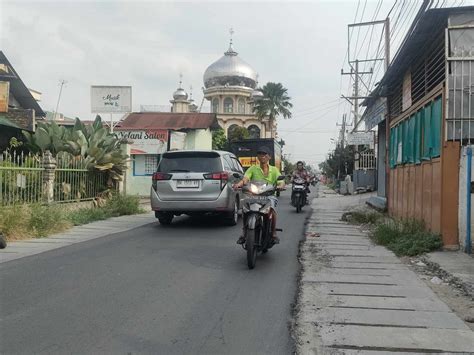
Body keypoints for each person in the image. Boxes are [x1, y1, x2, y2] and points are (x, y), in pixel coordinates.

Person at [233, 146, 281, 245]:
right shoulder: (253, 168)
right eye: (260, 154)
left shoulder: (274, 170)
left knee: (272, 209)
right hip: (254, 195)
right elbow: (246, 179)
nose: (262, 156)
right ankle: (244, 232)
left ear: (269, 157)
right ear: (258, 157)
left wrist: (281, 185)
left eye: (264, 154)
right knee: (245, 209)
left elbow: (281, 181)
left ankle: (273, 233)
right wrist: (239, 184)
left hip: (269, 195)